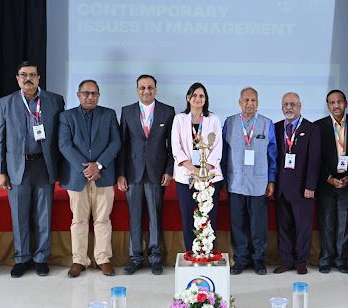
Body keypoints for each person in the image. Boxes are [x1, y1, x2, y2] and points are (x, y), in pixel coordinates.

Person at [0, 61, 65, 278]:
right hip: (17, 167)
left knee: (44, 215)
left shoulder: (55, 100)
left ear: (38, 78)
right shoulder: (5, 103)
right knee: (19, 216)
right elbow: (0, 139)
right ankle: (22, 258)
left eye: (32, 75)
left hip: (44, 165)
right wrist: (0, 171)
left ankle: (41, 258)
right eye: (24, 75)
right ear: (17, 79)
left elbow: (61, 136)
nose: (28, 78)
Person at [58, 80, 121, 278]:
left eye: (94, 93)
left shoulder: (109, 114)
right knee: (79, 220)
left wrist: (98, 165)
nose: (90, 97)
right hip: (77, 177)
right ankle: (79, 260)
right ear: (78, 95)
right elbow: (64, 145)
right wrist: (85, 168)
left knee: (103, 219)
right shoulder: (67, 116)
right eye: (86, 93)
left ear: (99, 95)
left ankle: (103, 259)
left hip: (104, 174)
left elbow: (115, 142)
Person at [117, 74, 175, 275]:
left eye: (150, 87)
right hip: (132, 172)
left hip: (156, 172)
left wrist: (169, 170)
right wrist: (121, 174)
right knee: (134, 216)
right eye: (142, 87)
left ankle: (155, 258)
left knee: (155, 215)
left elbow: (172, 146)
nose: (146, 91)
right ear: (137, 90)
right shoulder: (127, 111)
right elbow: (122, 145)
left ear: (156, 90)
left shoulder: (167, 111)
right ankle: (135, 257)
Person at [222, 87, 278, 275]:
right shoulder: (230, 123)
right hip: (236, 182)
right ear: (239, 102)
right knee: (238, 224)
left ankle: (258, 260)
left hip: (258, 183)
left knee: (258, 226)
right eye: (246, 100)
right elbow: (223, 154)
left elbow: (272, 155)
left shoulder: (266, 124)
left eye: (253, 100)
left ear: (258, 103)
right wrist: (223, 179)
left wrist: (271, 180)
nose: (250, 104)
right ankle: (240, 259)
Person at [171, 82, 224, 251]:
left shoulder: (213, 119)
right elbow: (176, 147)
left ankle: (208, 252)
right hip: (186, 176)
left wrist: (203, 172)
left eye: (201, 96)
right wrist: (195, 172)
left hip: (210, 176)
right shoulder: (179, 119)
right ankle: (191, 253)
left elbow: (217, 148)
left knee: (209, 216)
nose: (198, 99)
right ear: (188, 98)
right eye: (194, 95)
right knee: (188, 216)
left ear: (205, 99)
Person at [273, 92, 321, 275]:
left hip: (303, 189)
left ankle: (301, 262)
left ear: (300, 106)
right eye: (285, 104)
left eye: (293, 104)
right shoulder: (276, 127)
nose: (289, 107)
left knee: (303, 228)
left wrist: (310, 186)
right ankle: (286, 261)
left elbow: (314, 160)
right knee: (284, 227)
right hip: (282, 188)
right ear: (281, 107)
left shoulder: (311, 128)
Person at [315, 90, 348, 274]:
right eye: (332, 102)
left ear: (346, 103)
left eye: (339, 101)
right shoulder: (319, 126)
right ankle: (325, 259)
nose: (336, 105)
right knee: (327, 223)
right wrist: (328, 178)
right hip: (327, 182)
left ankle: (341, 260)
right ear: (328, 106)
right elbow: (316, 158)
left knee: (344, 224)